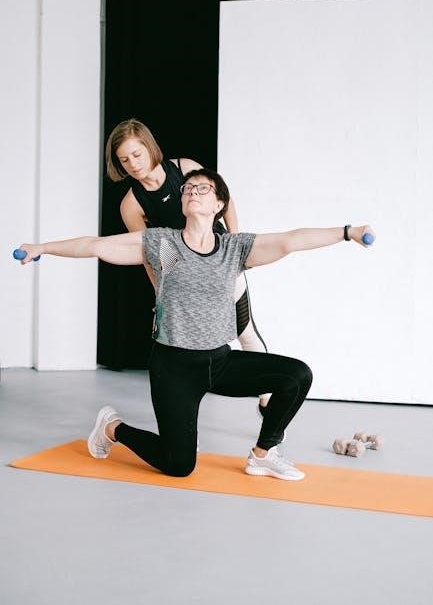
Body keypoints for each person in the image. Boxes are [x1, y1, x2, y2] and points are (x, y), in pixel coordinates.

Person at [18, 168, 374, 481]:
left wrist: (348, 232)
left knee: (296, 376)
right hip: (173, 367)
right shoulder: (165, 246)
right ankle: (112, 427)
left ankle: (263, 455)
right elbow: (96, 246)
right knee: (178, 464)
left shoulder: (234, 249)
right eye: (188, 188)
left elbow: (291, 240)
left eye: (202, 188)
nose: (192, 191)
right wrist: (42, 248)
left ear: (219, 203)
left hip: (219, 361)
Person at [105, 119, 271, 414]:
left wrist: (234, 245)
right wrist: (162, 292)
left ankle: (269, 402)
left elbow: (225, 200)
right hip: (186, 275)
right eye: (124, 160)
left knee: (244, 331)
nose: (133, 164)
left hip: (220, 261)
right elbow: (152, 251)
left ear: (149, 147)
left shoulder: (184, 168)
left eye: (137, 154)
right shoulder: (131, 204)